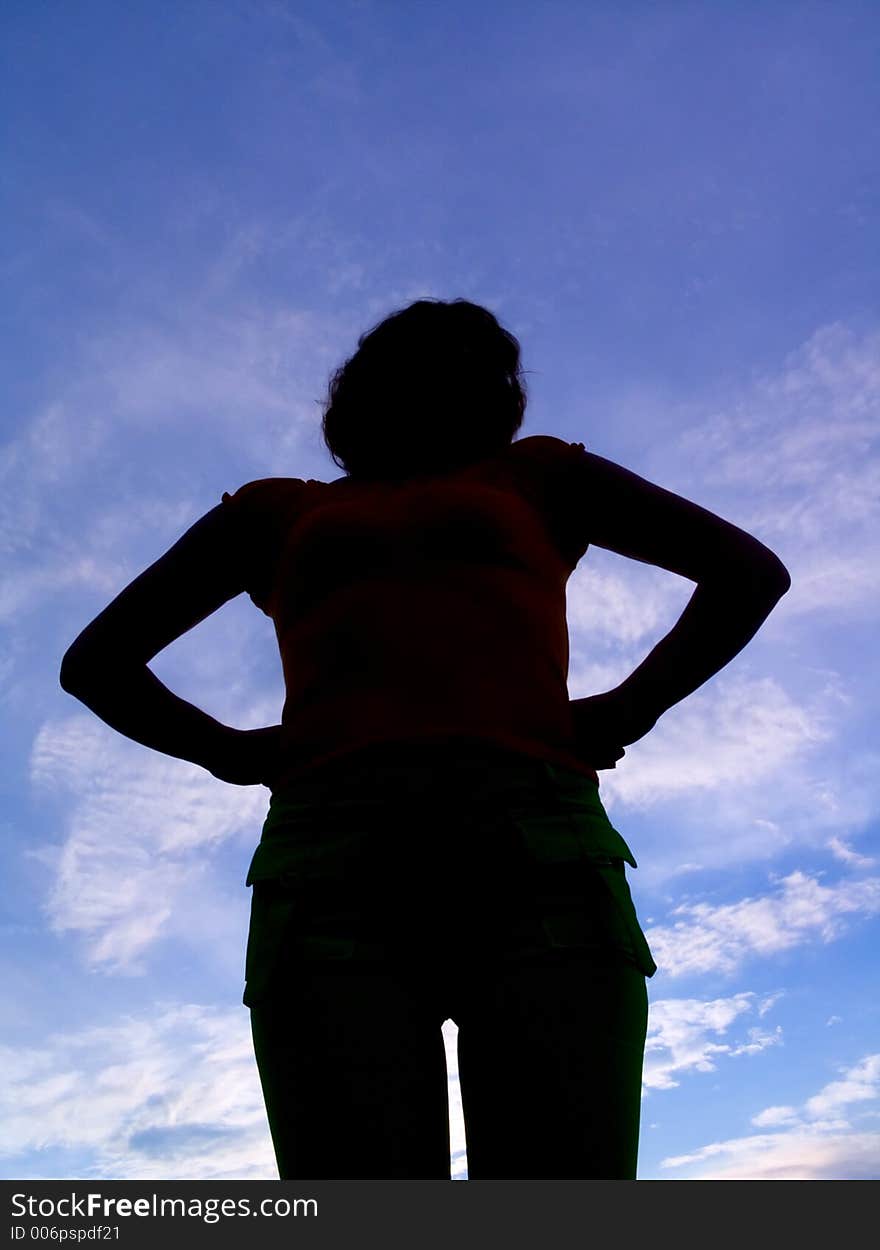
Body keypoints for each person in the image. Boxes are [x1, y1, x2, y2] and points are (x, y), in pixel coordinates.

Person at [59, 297, 791, 1180]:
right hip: (331, 860)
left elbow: (747, 573)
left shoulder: (541, 476)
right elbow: (98, 661)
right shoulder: (273, 512)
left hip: (536, 846)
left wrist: (630, 708)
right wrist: (229, 750)